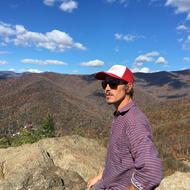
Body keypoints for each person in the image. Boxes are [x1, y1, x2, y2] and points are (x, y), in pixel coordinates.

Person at [87, 65, 162, 190]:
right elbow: (118, 158)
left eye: (113, 83)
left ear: (129, 86)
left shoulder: (134, 121)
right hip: (106, 183)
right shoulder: (121, 116)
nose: (107, 88)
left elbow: (152, 171)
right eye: (105, 83)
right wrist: (101, 176)